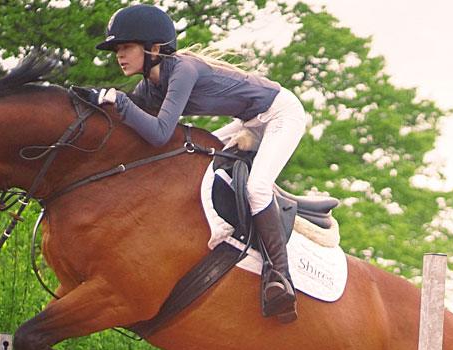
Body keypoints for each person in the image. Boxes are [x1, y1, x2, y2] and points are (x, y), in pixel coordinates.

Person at [94, 4, 305, 323]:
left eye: (125, 47)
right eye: (117, 49)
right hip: (248, 121)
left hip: (280, 114)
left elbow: (160, 133)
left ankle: (279, 276)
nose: (119, 55)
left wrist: (120, 102)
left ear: (153, 48)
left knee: (257, 188)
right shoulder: (150, 85)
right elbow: (130, 126)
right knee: (191, 157)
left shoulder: (182, 70)